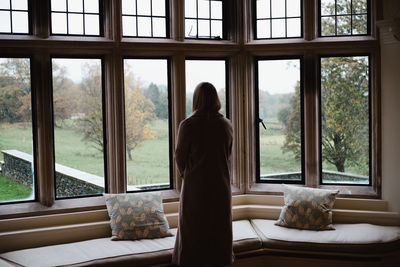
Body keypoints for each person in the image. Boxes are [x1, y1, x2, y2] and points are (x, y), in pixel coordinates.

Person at [172, 82, 233, 267]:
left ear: (196, 99)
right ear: (216, 99)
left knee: (193, 234)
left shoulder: (188, 125)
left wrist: (189, 174)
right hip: (221, 187)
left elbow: (179, 157)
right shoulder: (226, 125)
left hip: (195, 190)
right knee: (218, 233)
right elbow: (227, 154)